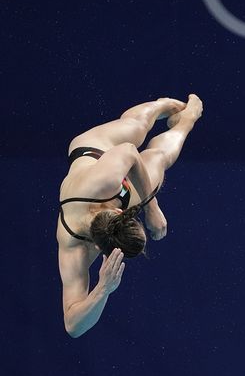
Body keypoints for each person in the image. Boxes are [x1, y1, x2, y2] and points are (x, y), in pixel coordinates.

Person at [57, 95, 203, 338]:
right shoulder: (78, 250)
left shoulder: (98, 185)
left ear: (118, 213)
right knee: (157, 158)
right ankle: (186, 123)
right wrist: (102, 289)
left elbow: (129, 152)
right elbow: (73, 326)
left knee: (136, 128)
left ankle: (159, 105)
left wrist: (151, 208)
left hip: (95, 151)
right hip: (123, 194)